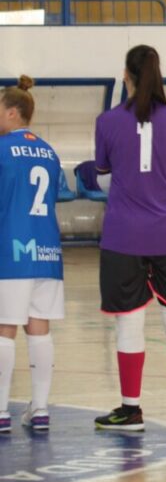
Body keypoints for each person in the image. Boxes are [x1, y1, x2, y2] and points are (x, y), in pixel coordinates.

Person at [93, 44, 166, 431]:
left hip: (124, 236)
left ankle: (131, 409)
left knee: (129, 323)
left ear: (127, 75)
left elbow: (104, 176)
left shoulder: (107, 121)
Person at [0, 77, 67, 433]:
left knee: (4, 328)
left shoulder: (1, 149)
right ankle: (40, 409)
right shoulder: (49, 150)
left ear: (12, 112)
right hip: (47, 250)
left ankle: (0, 411)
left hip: (11, 249)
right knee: (39, 328)